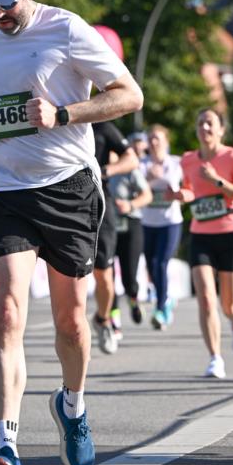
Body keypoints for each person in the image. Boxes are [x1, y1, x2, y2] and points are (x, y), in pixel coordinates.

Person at [0, 0, 142, 465]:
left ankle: (73, 404)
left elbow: (129, 96)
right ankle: (5, 447)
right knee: (9, 312)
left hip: (68, 188)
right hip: (3, 188)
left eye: (6, 6)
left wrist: (62, 114)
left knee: (72, 323)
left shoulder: (68, 29)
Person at [176, 109, 233, 379]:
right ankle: (215, 358)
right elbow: (189, 188)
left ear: (221, 130)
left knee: (229, 305)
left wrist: (218, 182)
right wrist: (182, 195)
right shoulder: (187, 160)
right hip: (201, 234)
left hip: (231, 233)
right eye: (200, 123)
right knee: (207, 299)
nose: (205, 127)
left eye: (210, 123)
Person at [92, 122, 139, 352]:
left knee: (104, 276)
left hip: (100, 202)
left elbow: (131, 159)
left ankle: (102, 319)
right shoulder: (54, 119)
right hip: (64, 204)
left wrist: (105, 170)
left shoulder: (101, 126)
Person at [140, 124, 184, 329]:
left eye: (158, 138)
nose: (153, 142)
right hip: (148, 222)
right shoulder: (141, 165)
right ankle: (166, 298)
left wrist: (175, 191)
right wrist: (148, 178)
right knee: (151, 265)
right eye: (150, 138)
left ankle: (161, 307)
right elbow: (134, 190)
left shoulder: (176, 163)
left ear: (166, 141)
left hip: (170, 221)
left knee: (161, 262)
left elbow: (186, 189)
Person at [108, 161, 152, 328]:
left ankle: (133, 298)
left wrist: (130, 205)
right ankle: (113, 317)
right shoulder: (95, 166)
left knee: (129, 277)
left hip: (130, 225)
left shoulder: (130, 171)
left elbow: (147, 195)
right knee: (106, 277)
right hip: (106, 228)